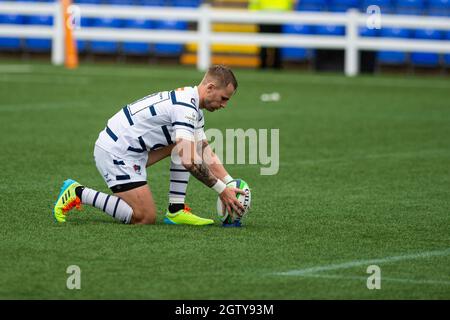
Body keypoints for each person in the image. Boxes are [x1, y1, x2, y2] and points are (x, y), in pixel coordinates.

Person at [53, 65, 245, 226]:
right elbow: (190, 162)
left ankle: (175, 211)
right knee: (144, 216)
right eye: (224, 98)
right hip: (115, 152)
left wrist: (230, 182)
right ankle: (78, 192)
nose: (224, 104)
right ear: (210, 87)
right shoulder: (185, 107)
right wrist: (222, 190)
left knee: (187, 145)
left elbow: (203, 150)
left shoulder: (192, 105)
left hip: (131, 150)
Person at [249, 0, 297, 69]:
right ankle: (273, 65)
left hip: (270, 18)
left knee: (271, 44)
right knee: (267, 44)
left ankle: (266, 65)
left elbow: (254, 4)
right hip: (269, 18)